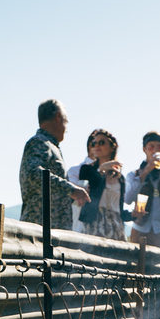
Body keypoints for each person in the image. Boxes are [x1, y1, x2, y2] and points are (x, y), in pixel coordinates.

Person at [19, 99, 89, 230]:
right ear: (58, 117)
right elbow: (33, 174)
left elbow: (51, 192)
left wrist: (72, 197)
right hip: (40, 230)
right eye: (66, 121)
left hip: (51, 230)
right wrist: (71, 190)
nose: (66, 128)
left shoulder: (48, 145)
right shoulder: (39, 142)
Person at [78, 129, 131, 241]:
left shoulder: (120, 178)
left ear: (113, 147)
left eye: (101, 142)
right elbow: (91, 191)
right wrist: (101, 170)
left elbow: (119, 210)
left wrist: (134, 215)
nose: (97, 145)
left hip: (117, 225)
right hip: (94, 223)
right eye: (94, 143)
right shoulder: (87, 169)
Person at [68, 131, 96, 234]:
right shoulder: (75, 170)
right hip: (80, 227)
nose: (98, 147)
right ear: (89, 146)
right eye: (95, 143)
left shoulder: (111, 173)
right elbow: (73, 198)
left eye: (102, 143)